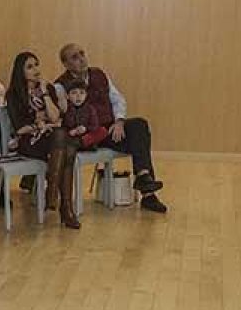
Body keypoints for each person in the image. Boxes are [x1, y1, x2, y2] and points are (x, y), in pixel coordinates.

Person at [56, 43, 167, 213]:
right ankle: (147, 191)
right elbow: (65, 116)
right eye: (74, 57)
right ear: (65, 64)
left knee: (139, 126)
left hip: (110, 129)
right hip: (88, 135)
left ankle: (144, 180)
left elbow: (117, 99)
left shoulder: (99, 74)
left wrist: (119, 121)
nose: (81, 59)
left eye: (82, 53)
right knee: (139, 142)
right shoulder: (61, 85)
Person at [5, 52, 81, 229]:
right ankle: (64, 208)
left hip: (51, 140)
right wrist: (40, 126)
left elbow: (55, 118)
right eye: (30, 67)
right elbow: (20, 128)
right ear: (20, 71)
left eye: (37, 65)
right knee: (65, 143)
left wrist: (46, 93)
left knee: (65, 145)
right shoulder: (14, 94)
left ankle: (55, 195)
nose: (35, 70)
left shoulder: (49, 89)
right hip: (28, 141)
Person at [59, 78, 109, 150]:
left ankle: (82, 143)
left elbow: (95, 125)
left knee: (102, 131)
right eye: (74, 93)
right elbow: (63, 125)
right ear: (67, 96)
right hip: (71, 135)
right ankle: (82, 144)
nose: (78, 96)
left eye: (82, 93)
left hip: (86, 134)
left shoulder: (90, 108)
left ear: (86, 95)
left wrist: (85, 129)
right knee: (62, 135)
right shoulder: (66, 108)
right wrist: (72, 131)